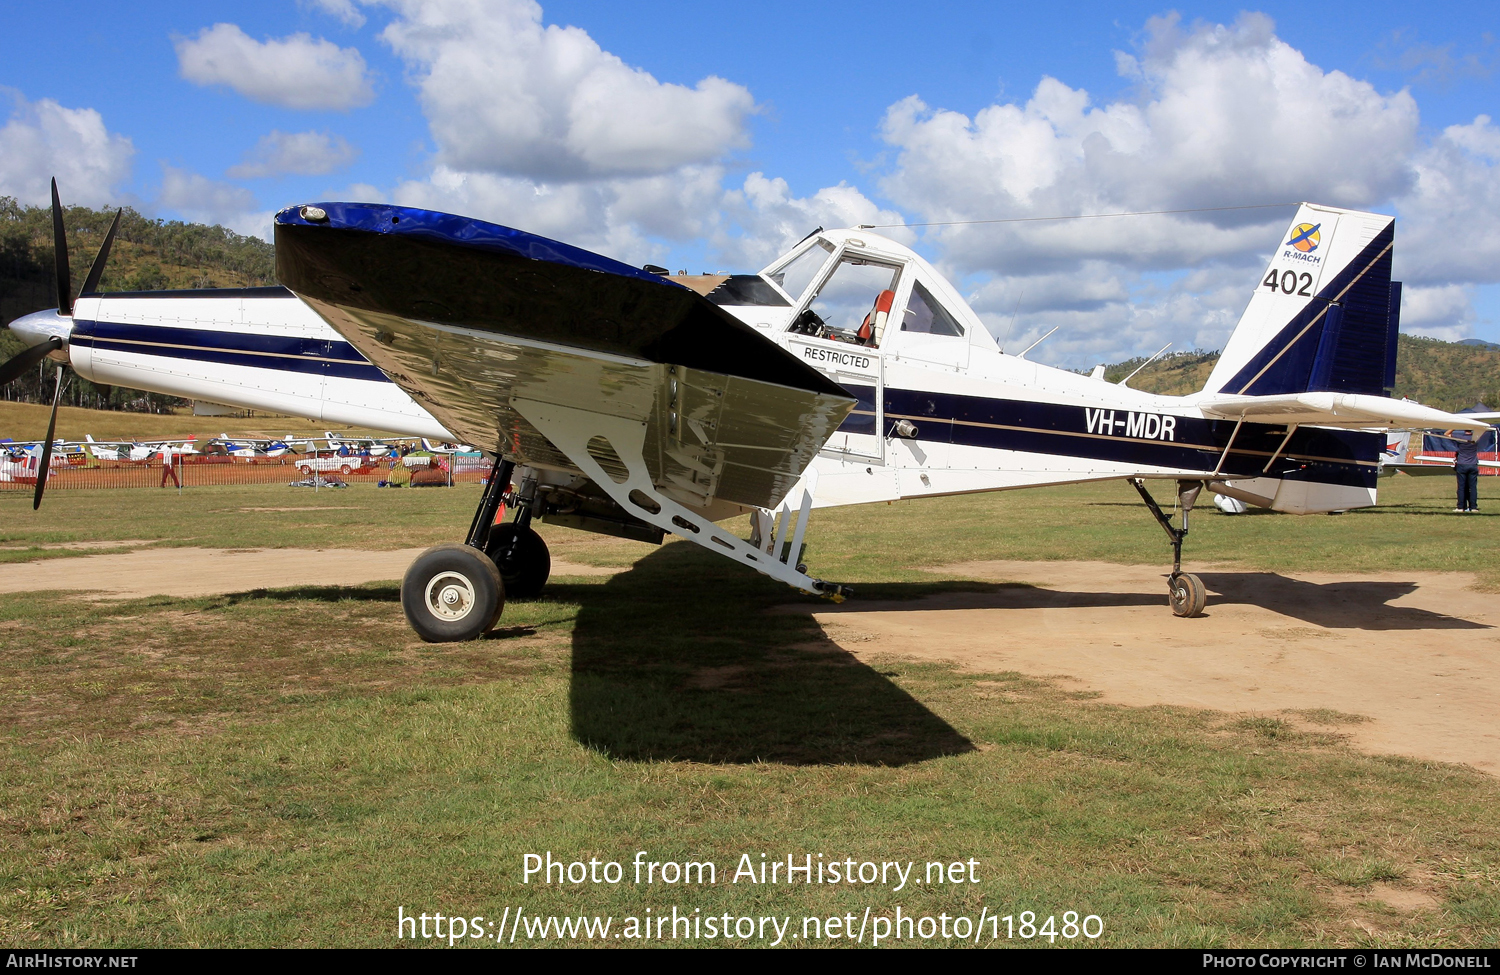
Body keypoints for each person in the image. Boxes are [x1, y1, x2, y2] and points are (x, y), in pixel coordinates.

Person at [1452, 430, 1481, 513]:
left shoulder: (1460, 438)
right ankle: (1473, 507)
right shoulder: (1476, 438)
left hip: (1462, 464)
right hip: (1473, 464)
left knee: (1461, 487)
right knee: (1472, 487)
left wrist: (1455, 427)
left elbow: (1446, 434)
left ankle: (1461, 507)